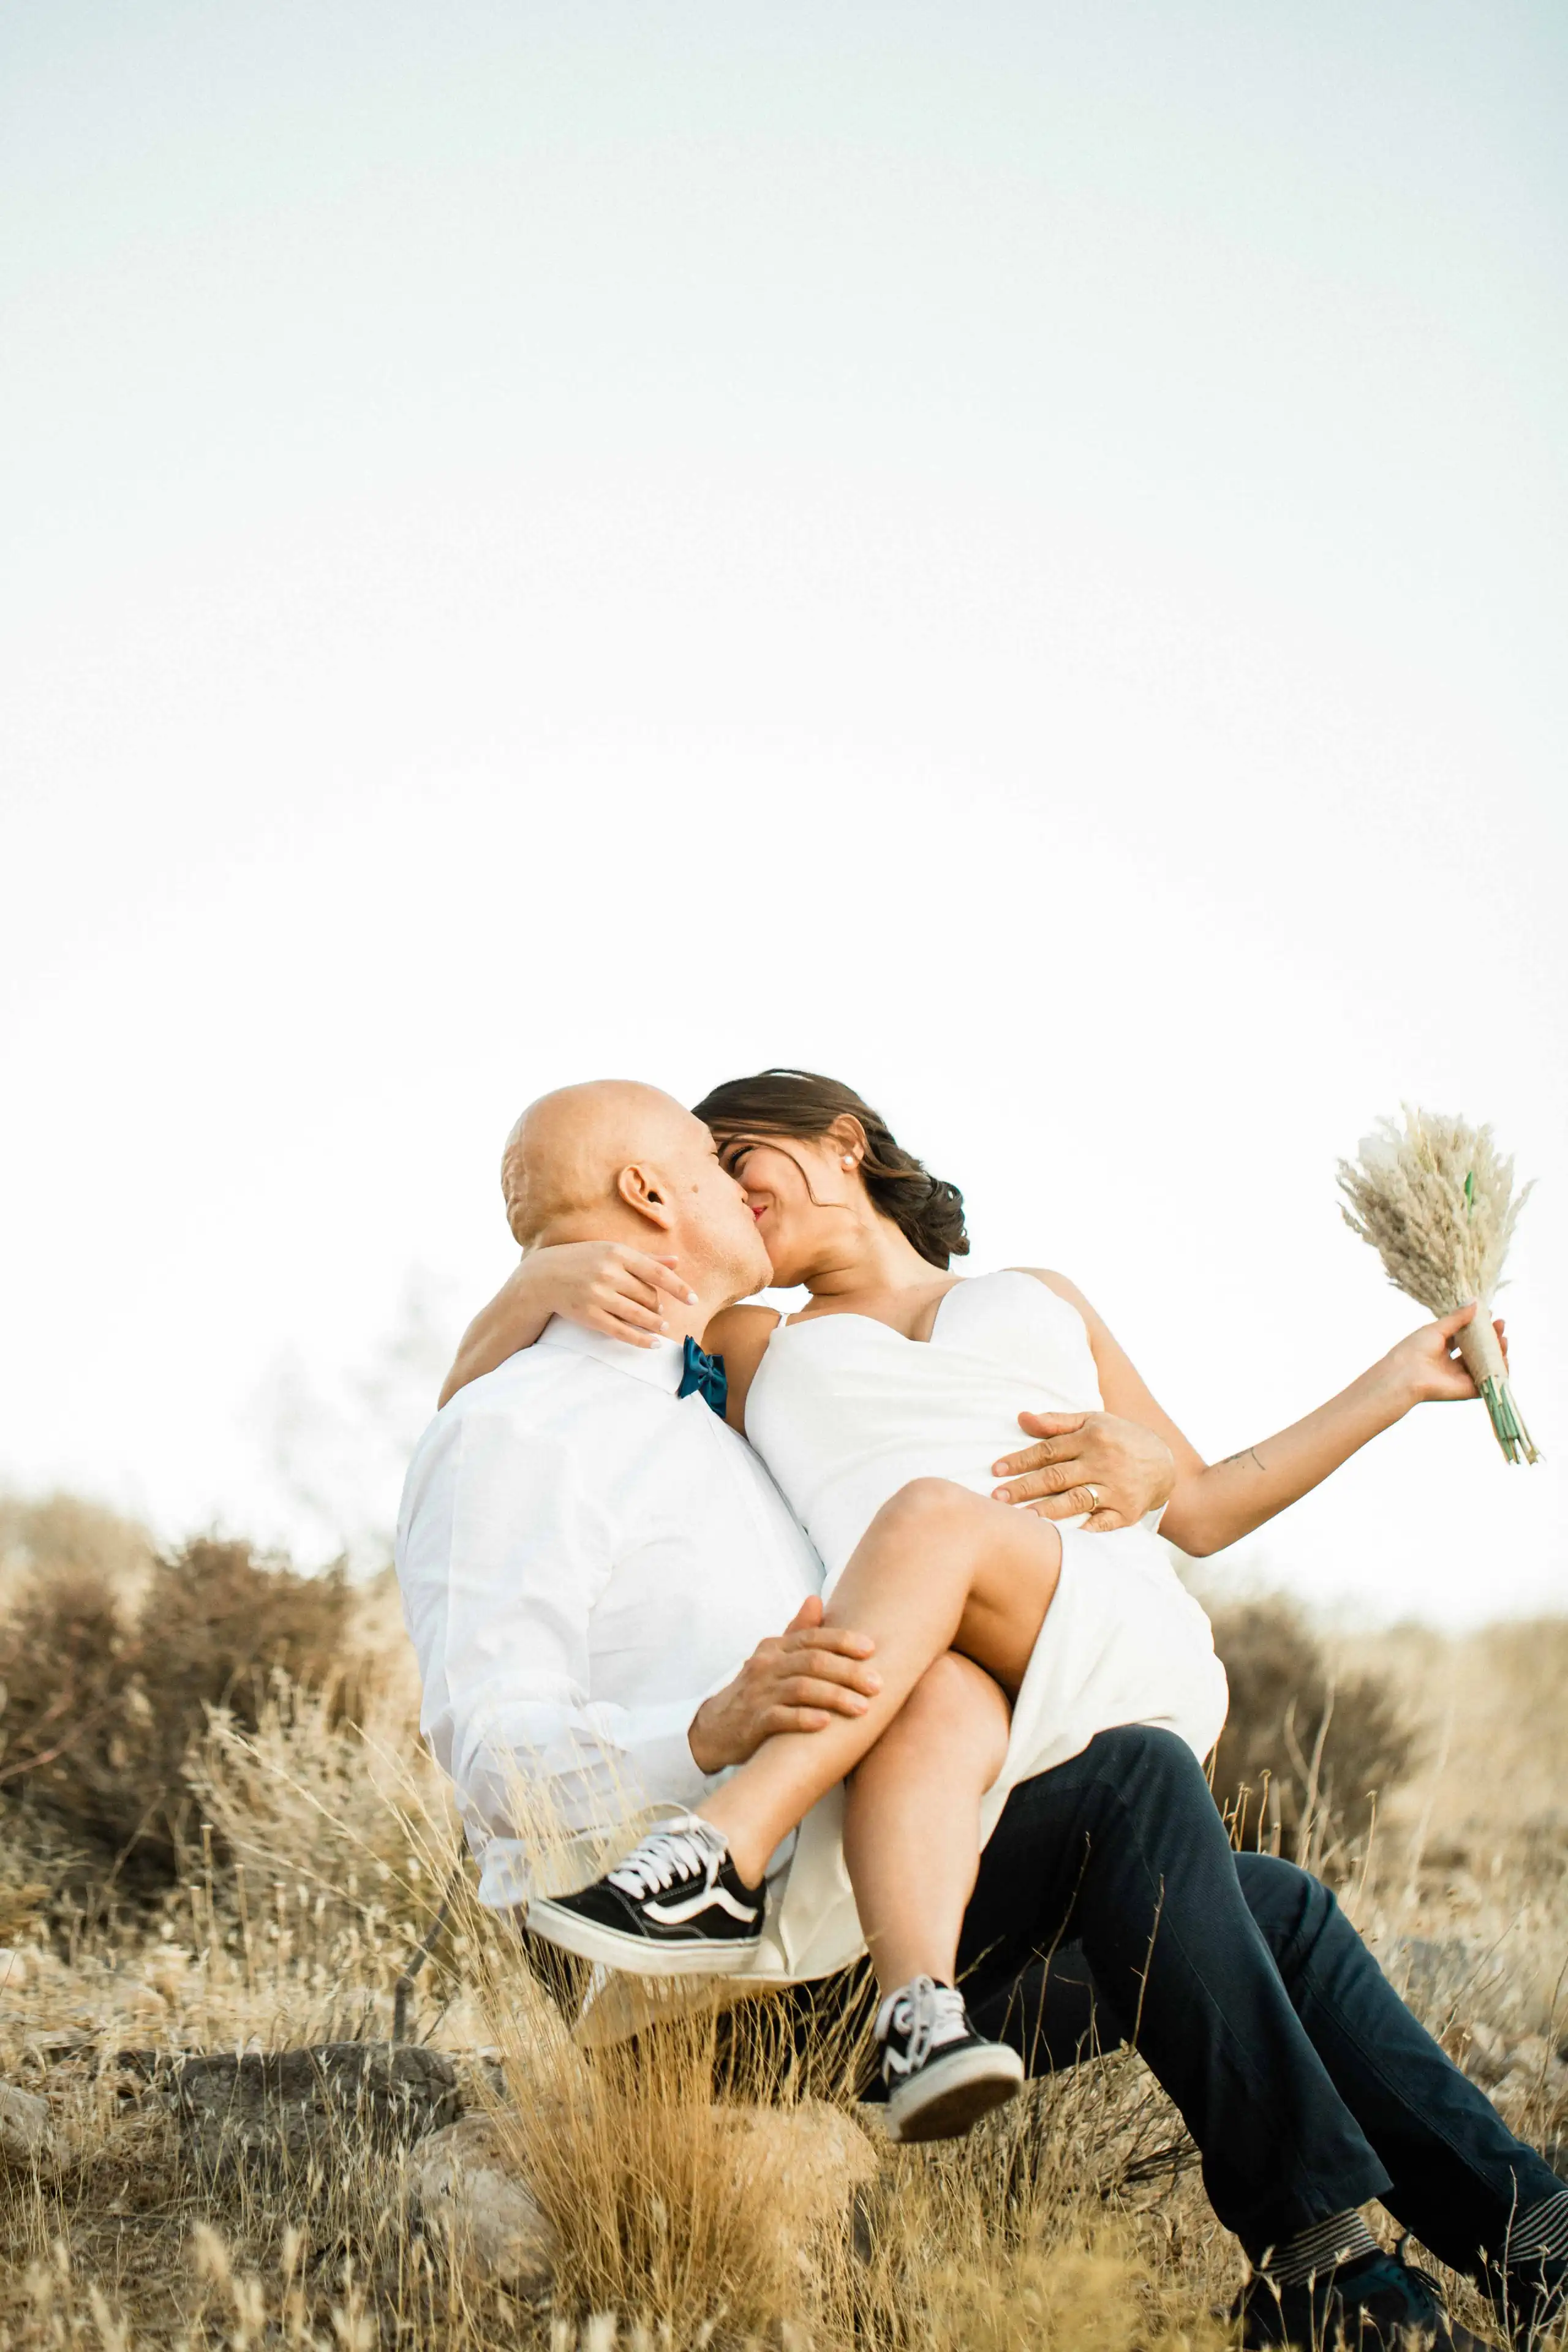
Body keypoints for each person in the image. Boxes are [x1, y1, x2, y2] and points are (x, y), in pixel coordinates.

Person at [399, 1079, 1564, 2351]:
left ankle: (1523, 2246)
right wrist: (539, 1280)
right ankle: (1333, 2277)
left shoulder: (727, 1394)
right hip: (713, 1997)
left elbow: (1178, 1506)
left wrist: (1177, 1460)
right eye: (705, 1159)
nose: (733, 1186)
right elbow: (491, 1654)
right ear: (648, 1193)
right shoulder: (620, 1397)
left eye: (743, 1156)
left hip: (848, 1900)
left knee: (1242, 1883)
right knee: (1139, 1794)